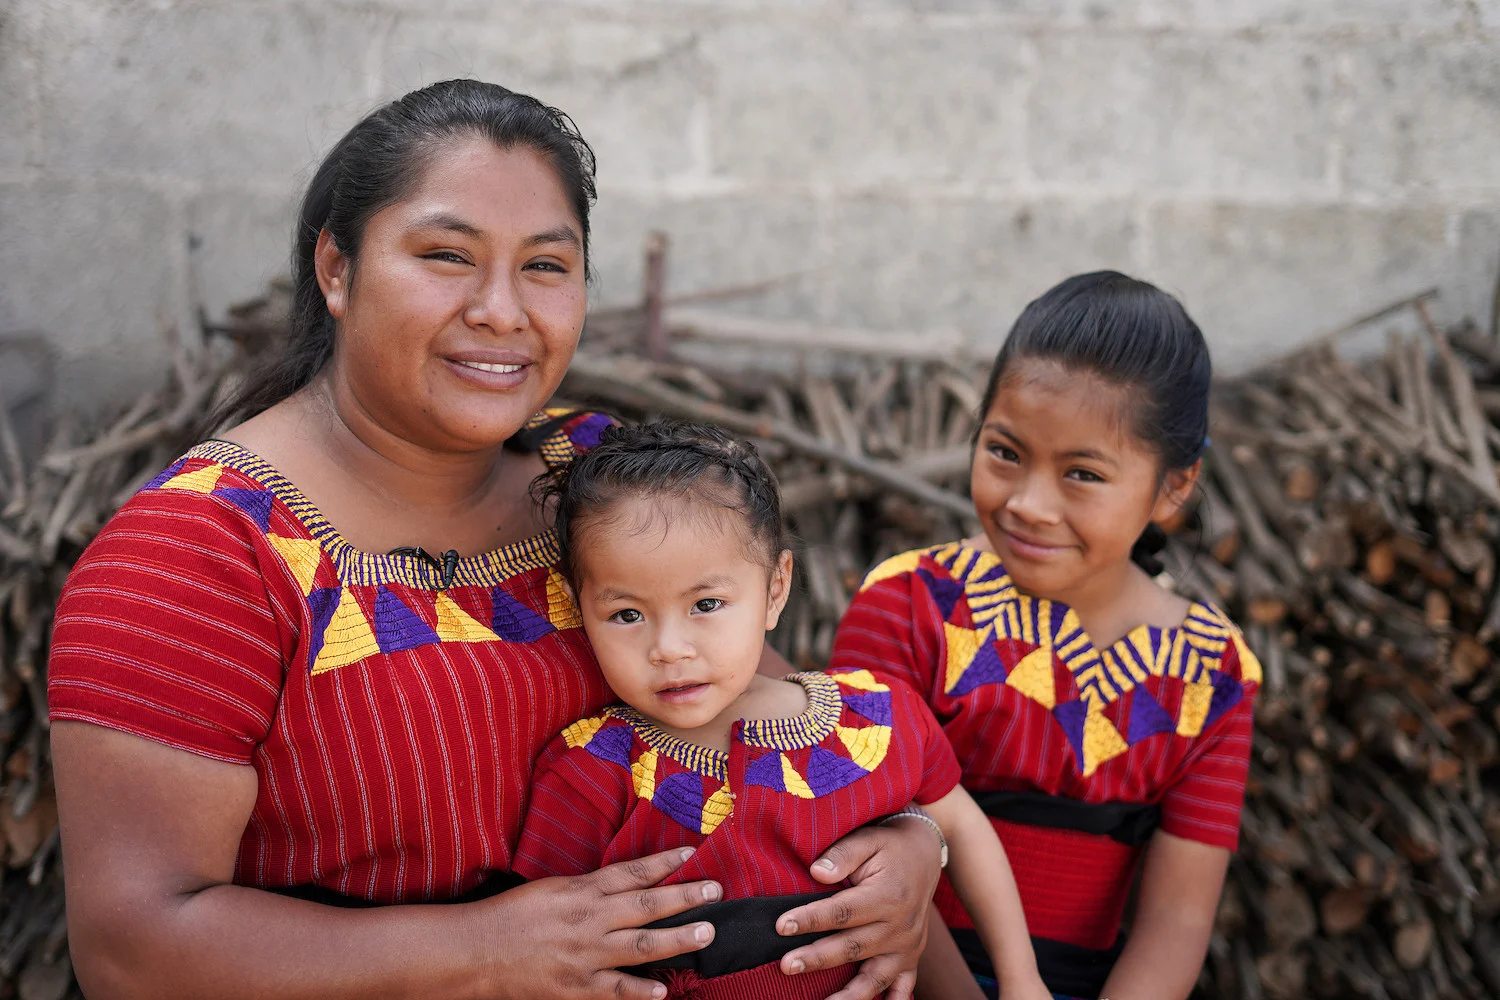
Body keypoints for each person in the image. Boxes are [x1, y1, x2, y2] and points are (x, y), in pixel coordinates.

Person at [46, 79, 943, 1000]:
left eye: (546, 267)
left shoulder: (593, 479)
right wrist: (480, 953)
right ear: (335, 269)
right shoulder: (195, 557)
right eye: (446, 256)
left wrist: (908, 844)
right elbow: (132, 947)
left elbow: (754, 712)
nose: (503, 311)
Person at [829, 272, 1260, 1000]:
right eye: (1005, 452)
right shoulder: (908, 607)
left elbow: (1178, 920)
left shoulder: (1213, 675)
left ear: (1173, 489)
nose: (1029, 503)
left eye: (1083, 474)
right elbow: (862, 850)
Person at [510, 421, 1049, 1000]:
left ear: (775, 589)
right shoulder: (590, 772)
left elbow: (963, 826)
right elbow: (556, 952)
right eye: (626, 614)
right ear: (577, 607)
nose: (669, 647)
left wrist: (1021, 981)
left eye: (707, 604)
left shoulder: (874, 718)